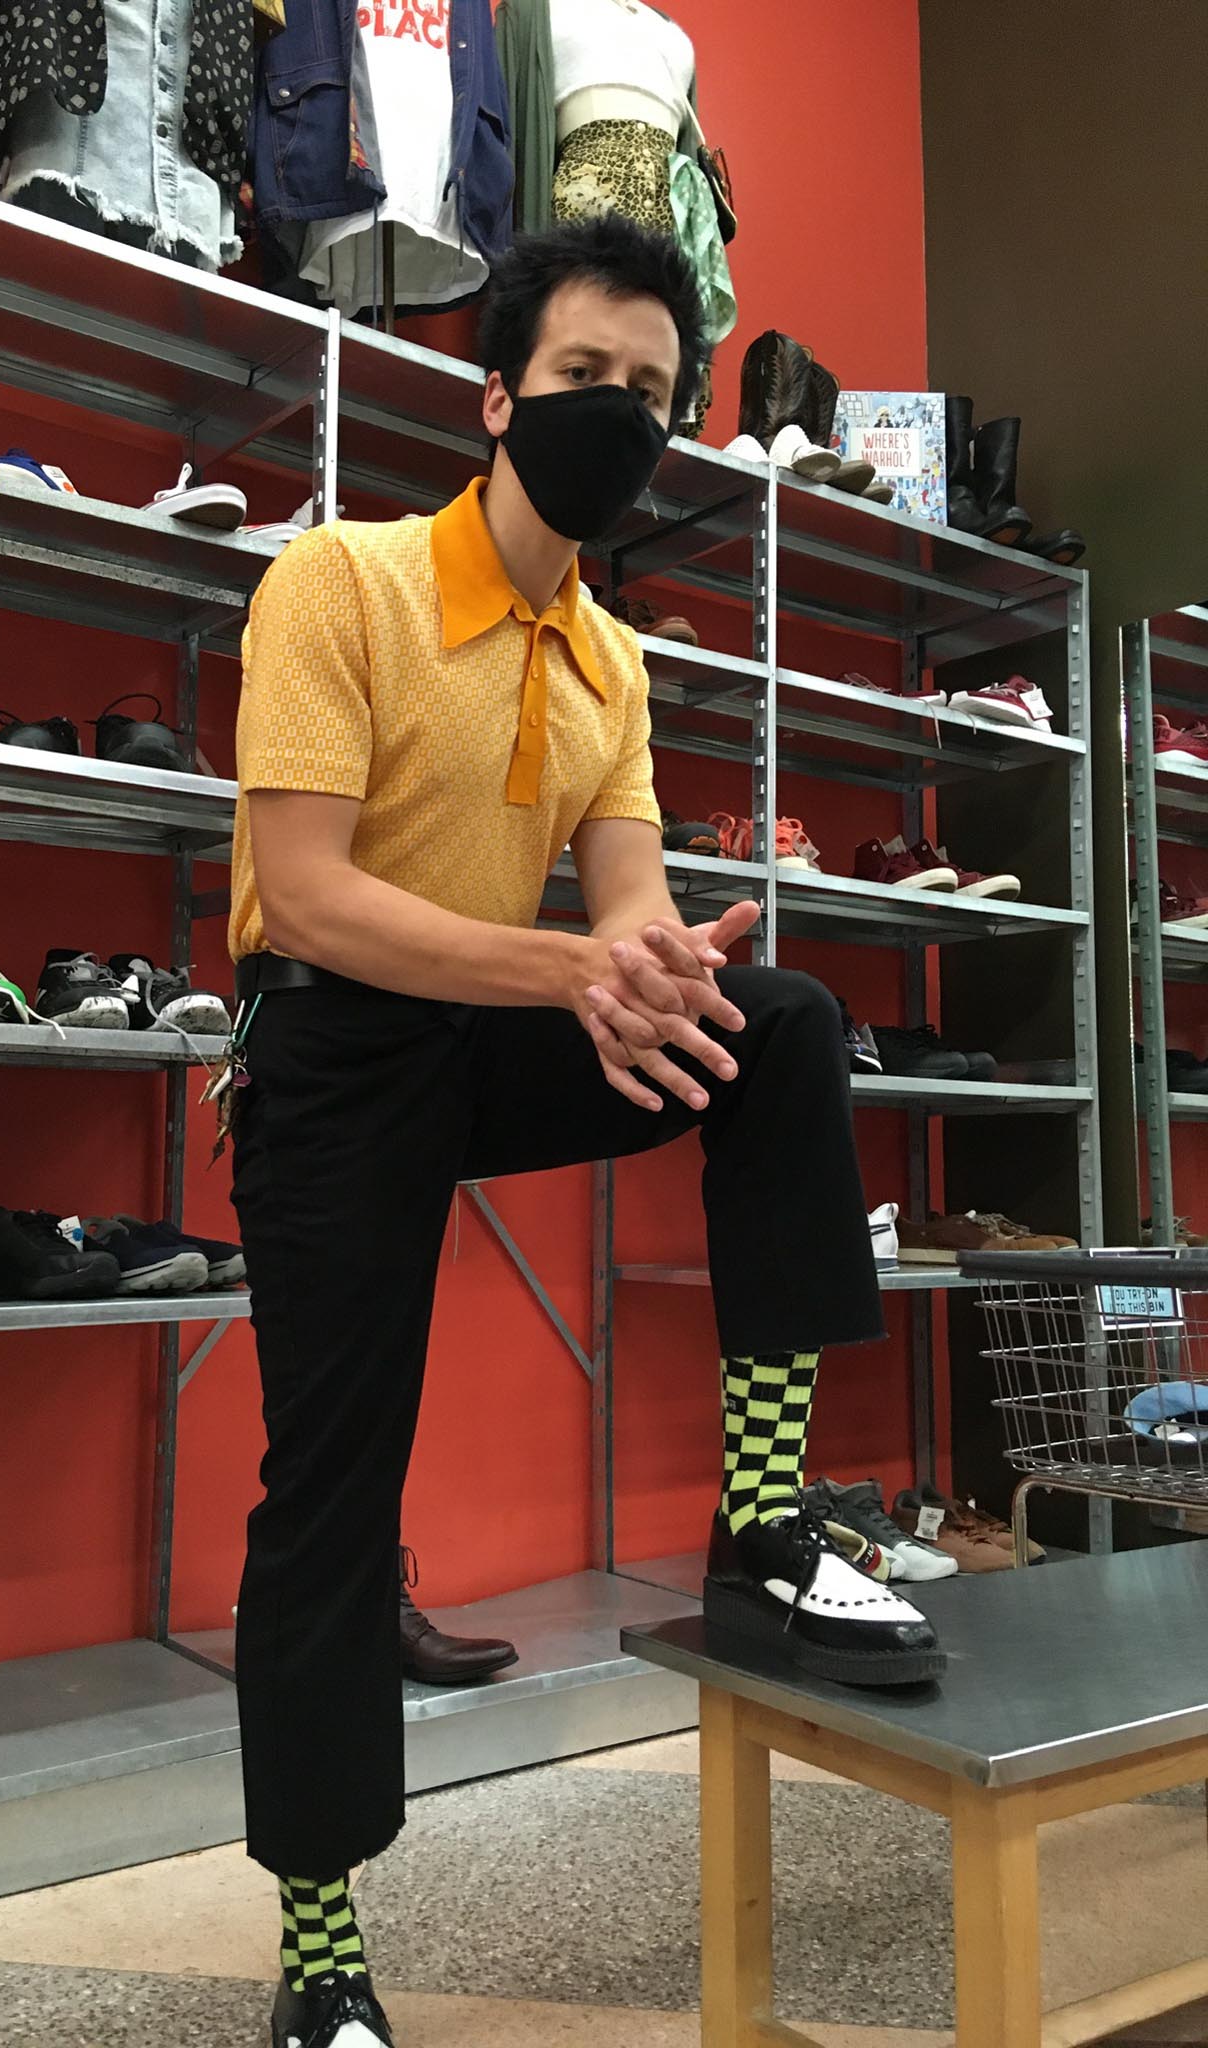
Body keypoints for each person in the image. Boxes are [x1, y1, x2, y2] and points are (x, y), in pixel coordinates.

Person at [227, 214, 942, 2048]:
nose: (616, 415)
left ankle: (760, 1523)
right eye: (580, 380)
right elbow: (301, 899)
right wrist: (575, 973)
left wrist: (658, 969)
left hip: (495, 1024)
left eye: (650, 391)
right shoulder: (339, 584)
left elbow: (625, 917)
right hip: (333, 1058)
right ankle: (321, 1965)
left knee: (773, 1024)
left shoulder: (613, 662)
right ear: (494, 398)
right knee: (330, 1493)